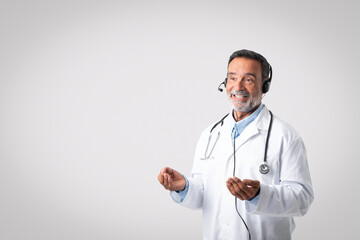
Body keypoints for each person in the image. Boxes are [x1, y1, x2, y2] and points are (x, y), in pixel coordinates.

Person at [157, 49, 314, 240]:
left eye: (248, 79)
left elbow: (302, 200)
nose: (237, 87)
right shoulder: (210, 134)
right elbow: (203, 197)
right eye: (232, 78)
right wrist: (184, 187)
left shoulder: (285, 137)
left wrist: (260, 195)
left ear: (264, 86)